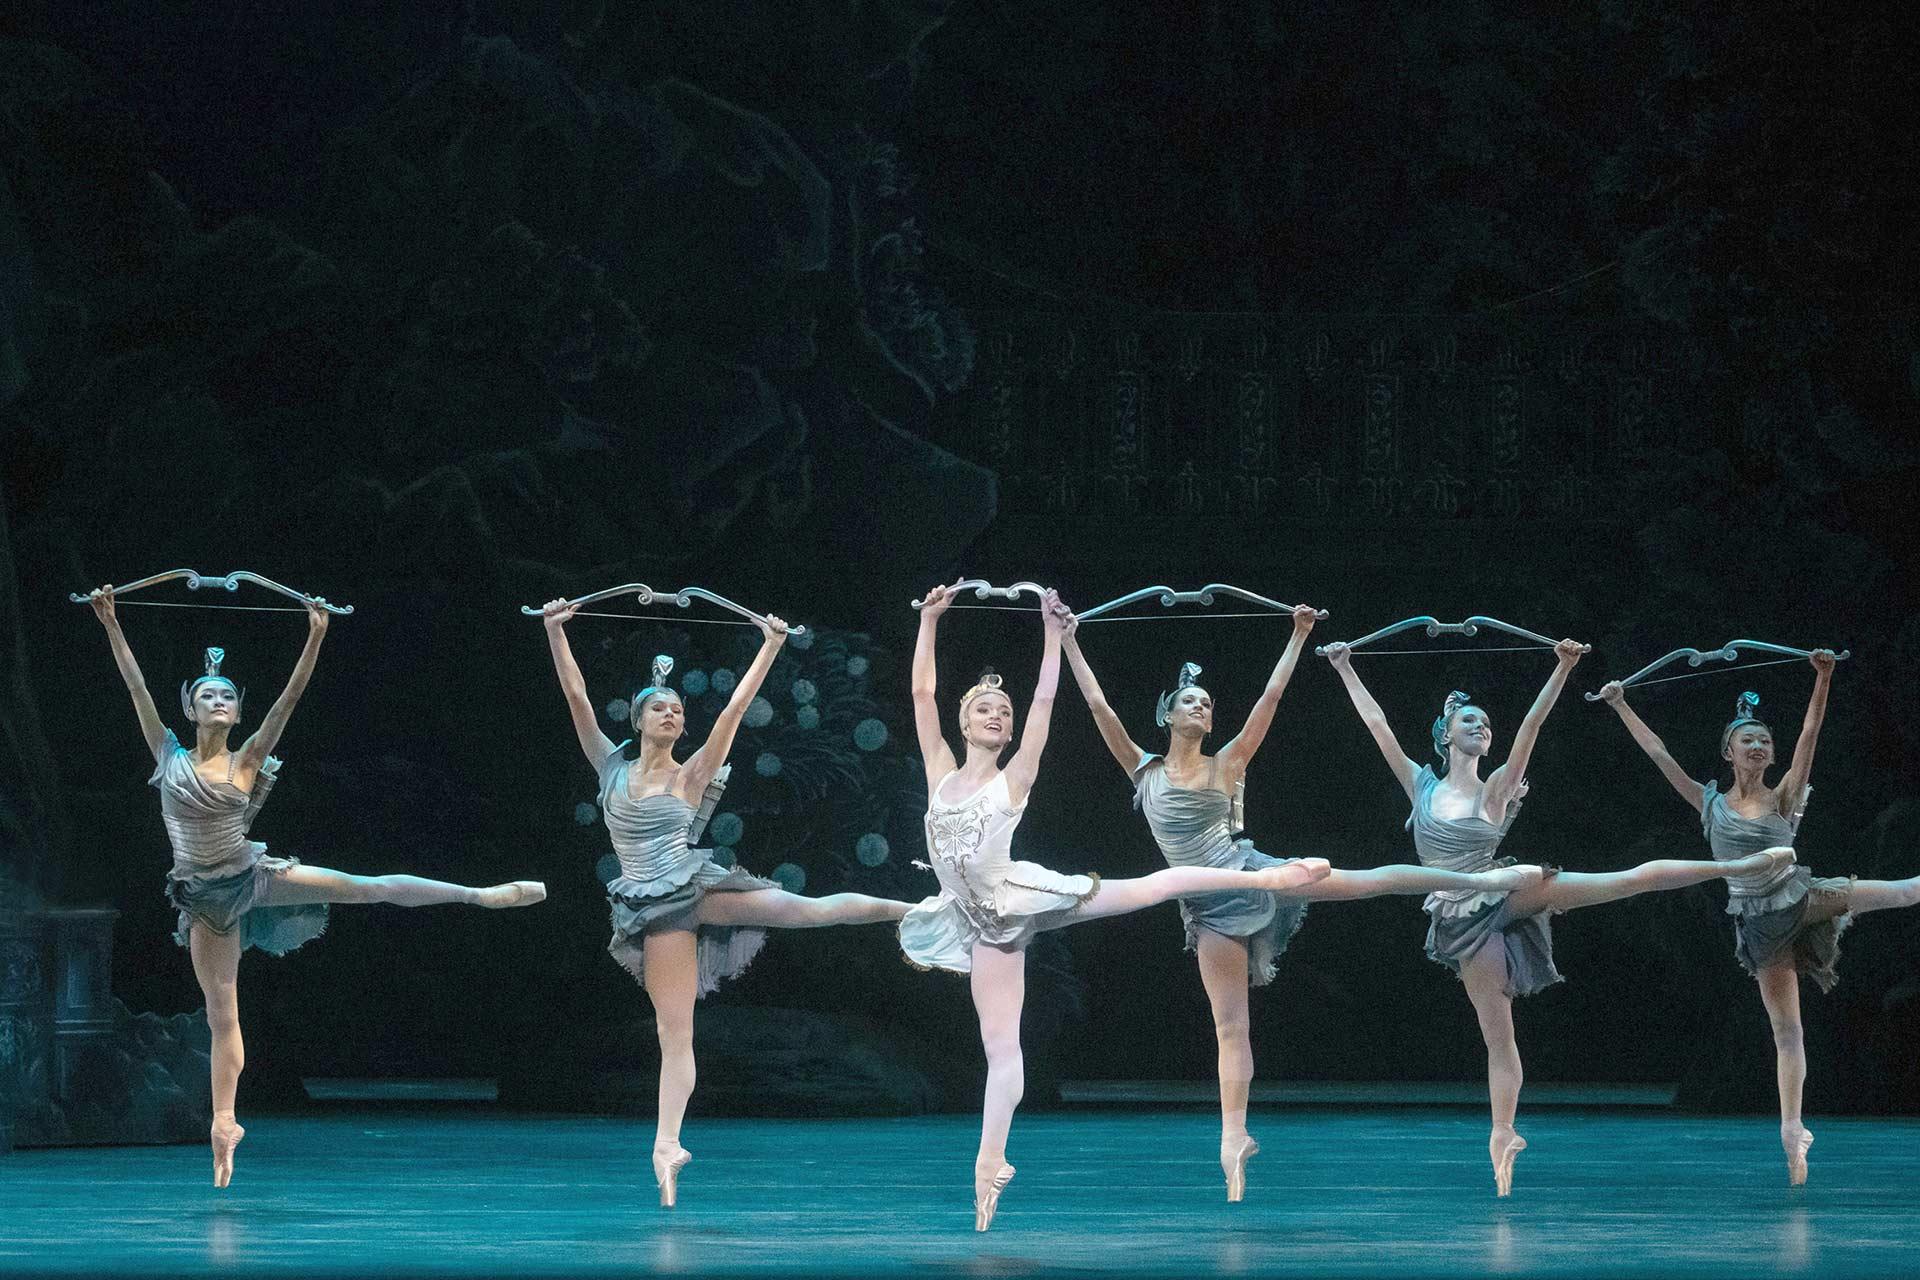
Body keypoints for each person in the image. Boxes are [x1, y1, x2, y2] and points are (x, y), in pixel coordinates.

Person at [1056, 599, 1544, 1201]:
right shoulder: (1143, 769)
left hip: (1247, 871)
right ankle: (1233, 1139)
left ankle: (1481, 881)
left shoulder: (1228, 762)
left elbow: (1269, 702)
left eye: (1207, 704)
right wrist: (1068, 640)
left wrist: (1299, 634)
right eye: (1190, 700)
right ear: (1165, 713)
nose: (1202, 706)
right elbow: (1099, 706)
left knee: (1362, 879)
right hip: (1207, 904)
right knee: (1230, 1026)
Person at [901, 583, 1332, 1229]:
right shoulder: (938, 768)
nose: (998, 715)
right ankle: (990, 1164)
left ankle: (1274, 881)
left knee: (1151, 887)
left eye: (1003, 709)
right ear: (965, 723)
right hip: (979, 924)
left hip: (1022, 895)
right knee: (1001, 1049)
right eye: (986, 708)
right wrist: (931, 620)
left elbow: (1049, 700)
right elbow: (921, 695)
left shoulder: (1013, 776)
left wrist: (1054, 633)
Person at [89, 586, 544, 1188]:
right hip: (204, 900)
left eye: (227, 695)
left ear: (236, 712)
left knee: (366, 885)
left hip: (253, 875)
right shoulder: (166, 753)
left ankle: (476, 895)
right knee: (222, 1010)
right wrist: (111, 622)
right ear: (191, 711)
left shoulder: (247, 758)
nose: (219, 700)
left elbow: (288, 701)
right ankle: (224, 1124)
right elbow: (136, 689)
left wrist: (316, 634)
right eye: (208, 695)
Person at [1325, 636, 1793, 1195]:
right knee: (1498, 1035)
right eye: (1470, 721)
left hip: (1506, 891)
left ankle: (1729, 869)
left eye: (1486, 724)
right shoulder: (1419, 783)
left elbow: (1530, 730)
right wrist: (1344, 666)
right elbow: (1377, 724)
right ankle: (1503, 1135)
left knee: (1624, 881)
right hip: (1458, 918)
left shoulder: (1498, 786)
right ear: (1444, 733)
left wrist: (1563, 668)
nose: (1482, 728)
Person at [541, 599, 911, 1207]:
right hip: (653, 906)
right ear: (638, 719)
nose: (670, 713)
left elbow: (736, 710)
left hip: (698, 886)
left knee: (807, 909)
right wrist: (557, 631)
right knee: (674, 1030)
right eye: (659, 706)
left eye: (677, 709)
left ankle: (911, 911)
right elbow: (577, 698)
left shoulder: (690, 775)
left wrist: (770, 643)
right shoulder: (610, 766)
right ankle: (666, 1145)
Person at [1599, 651, 1920, 1185]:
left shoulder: (1785, 795)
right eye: (1748, 739)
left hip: (1804, 897)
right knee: (1786, 1030)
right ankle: (1792, 1130)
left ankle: (1793, 1128)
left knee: (1906, 892)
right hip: (1759, 925)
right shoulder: (1711, 804)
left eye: (1765, 740)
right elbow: (1659, 754)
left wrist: (1823, 676)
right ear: (1728, 752)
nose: (1759, 745)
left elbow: (1811, 733)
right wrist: (1620, 704)